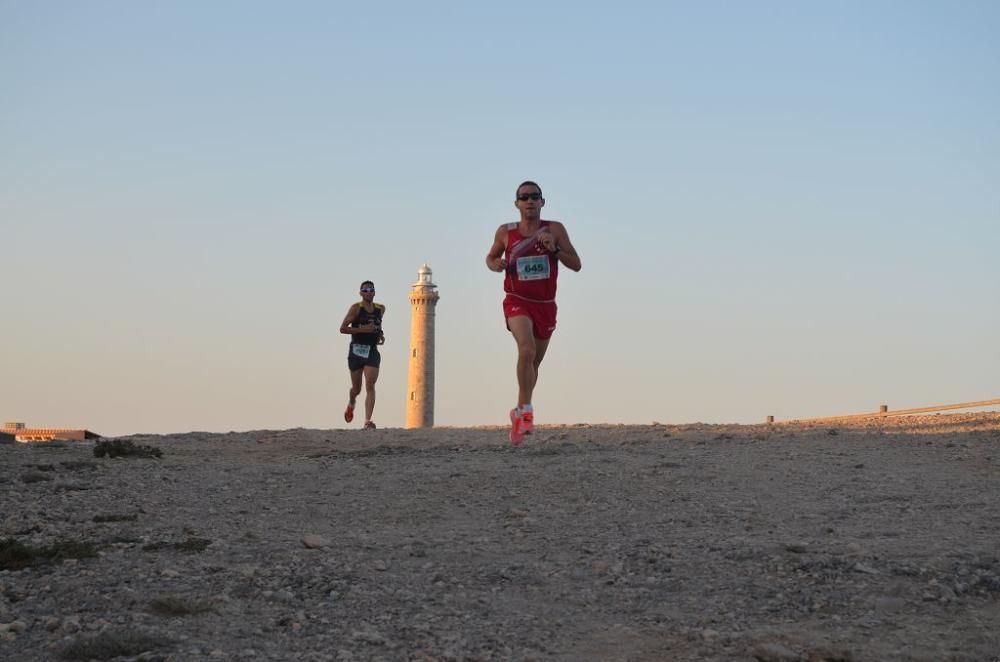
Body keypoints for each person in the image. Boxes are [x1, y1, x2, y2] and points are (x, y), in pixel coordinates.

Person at [485, 181, 582, 444]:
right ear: (516, 203)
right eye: (524, 197)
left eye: (534, 197)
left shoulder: (555, 229)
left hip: (545, 305)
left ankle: (518, 410)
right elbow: (490, 257)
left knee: (534, 363)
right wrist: (497, 264)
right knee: (525, 350)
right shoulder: (506, 232)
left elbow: (577, 264)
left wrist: (555, 249)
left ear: (542, 202)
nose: (529, 201)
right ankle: (526, 412)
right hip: (517, 300)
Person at [340, 280, 385, 429]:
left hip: (372, 350)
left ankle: (367, 421)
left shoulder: (381, 309)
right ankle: (351, 402)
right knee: (357, 389)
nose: (368, 292)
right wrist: (362, 330)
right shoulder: (356, 309)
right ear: (360, 293)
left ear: (374, 292)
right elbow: (343, 328)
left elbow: (377, 325)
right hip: (357, 351)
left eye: (371, 289)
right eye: (365, 290)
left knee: (370, 385)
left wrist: (380, 334)